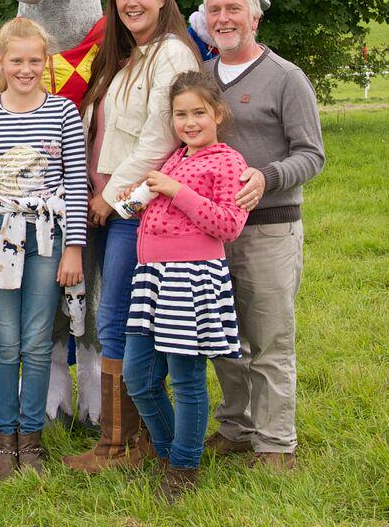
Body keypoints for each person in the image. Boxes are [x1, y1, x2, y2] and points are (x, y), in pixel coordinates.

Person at [64, 0, 200, 473]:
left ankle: (118, 445)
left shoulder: (170, 53)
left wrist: (113, 195)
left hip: (133, 209)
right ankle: (130, 439)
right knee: (115, 316)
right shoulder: (127, 57)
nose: (132, 3)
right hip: (106, 206)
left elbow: (160, 137)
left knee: (117, 317)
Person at [0, 17, 87, 478]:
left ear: (44, 62)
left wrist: (75, 250)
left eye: (34, 60)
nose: (25, 69)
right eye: (16, 60)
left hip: (48, 238)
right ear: (1, 62)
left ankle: (32, 439)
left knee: (37, 339)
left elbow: (76, 185)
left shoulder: (64, 113)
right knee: (6, 342)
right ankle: (4, 438)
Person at [203, 0, 325, 471]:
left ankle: (276, 444)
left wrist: (268, 177)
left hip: (269, 226)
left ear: (255, 15)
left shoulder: (286, 77)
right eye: (215, 11)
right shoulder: (201, 76)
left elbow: (312, 154)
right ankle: (237, 426)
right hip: (210, 231)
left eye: (234, 9)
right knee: (223, 338)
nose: (224, 19)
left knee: (269, 338)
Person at [120, 71, 249, 502]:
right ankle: (169, 449)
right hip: (154, 278)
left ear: (218, 113)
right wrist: (137, 201)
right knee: (138, 375)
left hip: (191, 278)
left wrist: (175, 191)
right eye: (180, 114)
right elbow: (162, 213)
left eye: (198, 113)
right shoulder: (176, 157)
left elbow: (228, 224)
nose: (189, 122)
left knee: (186, 378)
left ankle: (183, 466)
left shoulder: (226, 161)